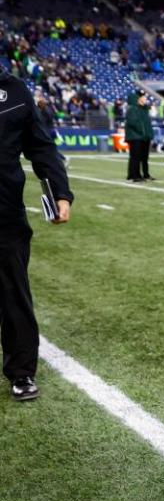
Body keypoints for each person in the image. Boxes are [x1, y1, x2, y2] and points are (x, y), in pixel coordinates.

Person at [0, 67, 73, 401]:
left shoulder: (14, 91)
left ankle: (22, 372)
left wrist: (59, 193)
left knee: (15, 294)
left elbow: (41, 146)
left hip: (5, 212)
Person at [124, 89, 152, 183]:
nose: (145, 99)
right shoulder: (132, 109)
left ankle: (140, 174)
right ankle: (134, 175)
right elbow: (134, 123)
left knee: (141, 157)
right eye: (143, 97)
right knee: (135, 157)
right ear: (138, 99)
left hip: (142, 136)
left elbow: (146, 123)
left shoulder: (143, 109)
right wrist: (142, 132)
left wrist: (148, 134)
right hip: (135, 136)